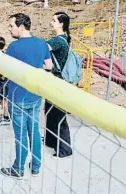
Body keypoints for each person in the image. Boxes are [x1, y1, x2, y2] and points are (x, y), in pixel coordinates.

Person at [0, 13, 53, 179]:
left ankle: (18, 168)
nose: (10, 29)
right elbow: (49, 66)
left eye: (11, 26)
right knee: (35, 131)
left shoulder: (13, 47)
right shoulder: (42, 43)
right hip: (36, 96)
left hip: (18, 96)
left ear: (21, 27)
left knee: (21, 134)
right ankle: (36, 166)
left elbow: (5, 71)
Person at [45, 12, 73, 158]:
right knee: (50, 112)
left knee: (58, 116)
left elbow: (42, 48)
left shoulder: (59, 41)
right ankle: (51, 141)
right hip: (56, 81)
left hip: (57, 81)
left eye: (54, 20)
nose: (51, 23)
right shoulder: (64, 39)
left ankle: (64, 149)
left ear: (61, 24)